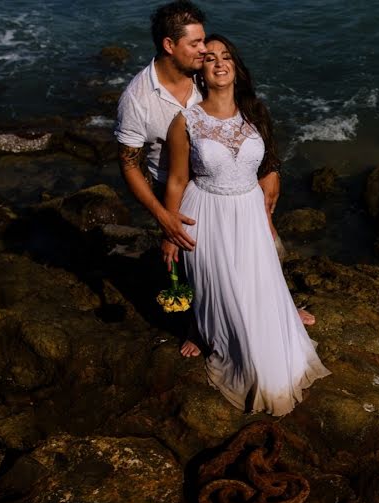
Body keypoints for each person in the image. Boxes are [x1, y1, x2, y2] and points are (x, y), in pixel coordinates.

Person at [114, 1, 313, 358]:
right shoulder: (138, 98)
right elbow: (129, 164)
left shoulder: (203, 72)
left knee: (262, 248)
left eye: (205, 41)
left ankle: (279, 307)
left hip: (233, 175)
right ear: (169, 45)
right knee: (199, 264)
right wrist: (163, 216)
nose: (205, 50)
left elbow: (245, 123)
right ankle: (198, 325)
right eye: (196, 43)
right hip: (177, 184)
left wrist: (270, 170)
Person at [162, 33, 330, 416]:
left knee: (257, 290)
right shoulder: (185, 120)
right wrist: (169, 230)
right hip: (206, 211)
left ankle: (273, 312)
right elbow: (176, 180)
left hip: (250, 212)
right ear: (201, 71)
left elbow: (267, 163)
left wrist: (267, 217)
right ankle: (203, 330)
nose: (219, 63)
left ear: (236, 67)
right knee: (228, 301)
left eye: (226, 57)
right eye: (209, 58)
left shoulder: (256, 113)